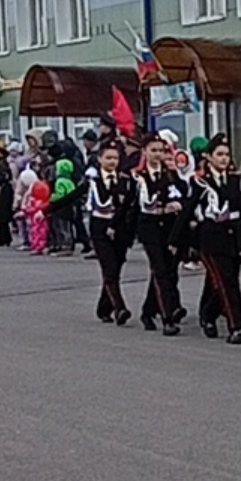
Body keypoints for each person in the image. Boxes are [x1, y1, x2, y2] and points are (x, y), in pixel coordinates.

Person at [191, 135, 241, 344]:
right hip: (210, 240)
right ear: (208, 157)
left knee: (218, 282)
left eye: (227, 154)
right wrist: (178, 242)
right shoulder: (200, 181)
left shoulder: (236, 180)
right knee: (227, 283)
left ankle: (208, 314)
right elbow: (188, 212)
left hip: (232, 239)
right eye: (219, 154)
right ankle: (236, 326)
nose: (224, 159)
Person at [134, 134, 187, 336]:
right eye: (153, 150)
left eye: (161, 151)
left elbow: (184, 194)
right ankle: (168, 317)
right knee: (160, 270)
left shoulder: (170, 173)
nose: (157, 155)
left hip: (170, 228)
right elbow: (142, 203)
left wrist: (177, 177)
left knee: (168, 270)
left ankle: (148, 311)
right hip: (150, 228)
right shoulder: (139, 176)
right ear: (145, 152)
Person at [85, 142, 134, 325]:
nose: (112, 162)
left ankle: (103, 307)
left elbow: (129, 205)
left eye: (115, 158)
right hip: (100, 228)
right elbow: (73, 196)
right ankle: (120, 308)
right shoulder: (93, 181)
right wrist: (47, 210)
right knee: (110, 267)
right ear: (99, 159)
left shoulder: (124, 181)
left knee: (115, 269)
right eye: (108, 158)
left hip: (120, 228)